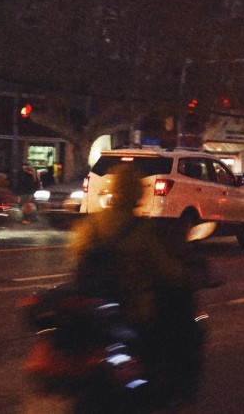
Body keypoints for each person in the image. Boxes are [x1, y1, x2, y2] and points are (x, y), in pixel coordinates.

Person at [69, 160, 202, 408]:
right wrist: (186, 276)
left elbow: (76, 261)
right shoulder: (141, 230)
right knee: (181, 333)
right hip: (134, 315)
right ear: (137, 193)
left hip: (93, 314)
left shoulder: (89, 226)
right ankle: (171, 392)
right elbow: (167, 271)